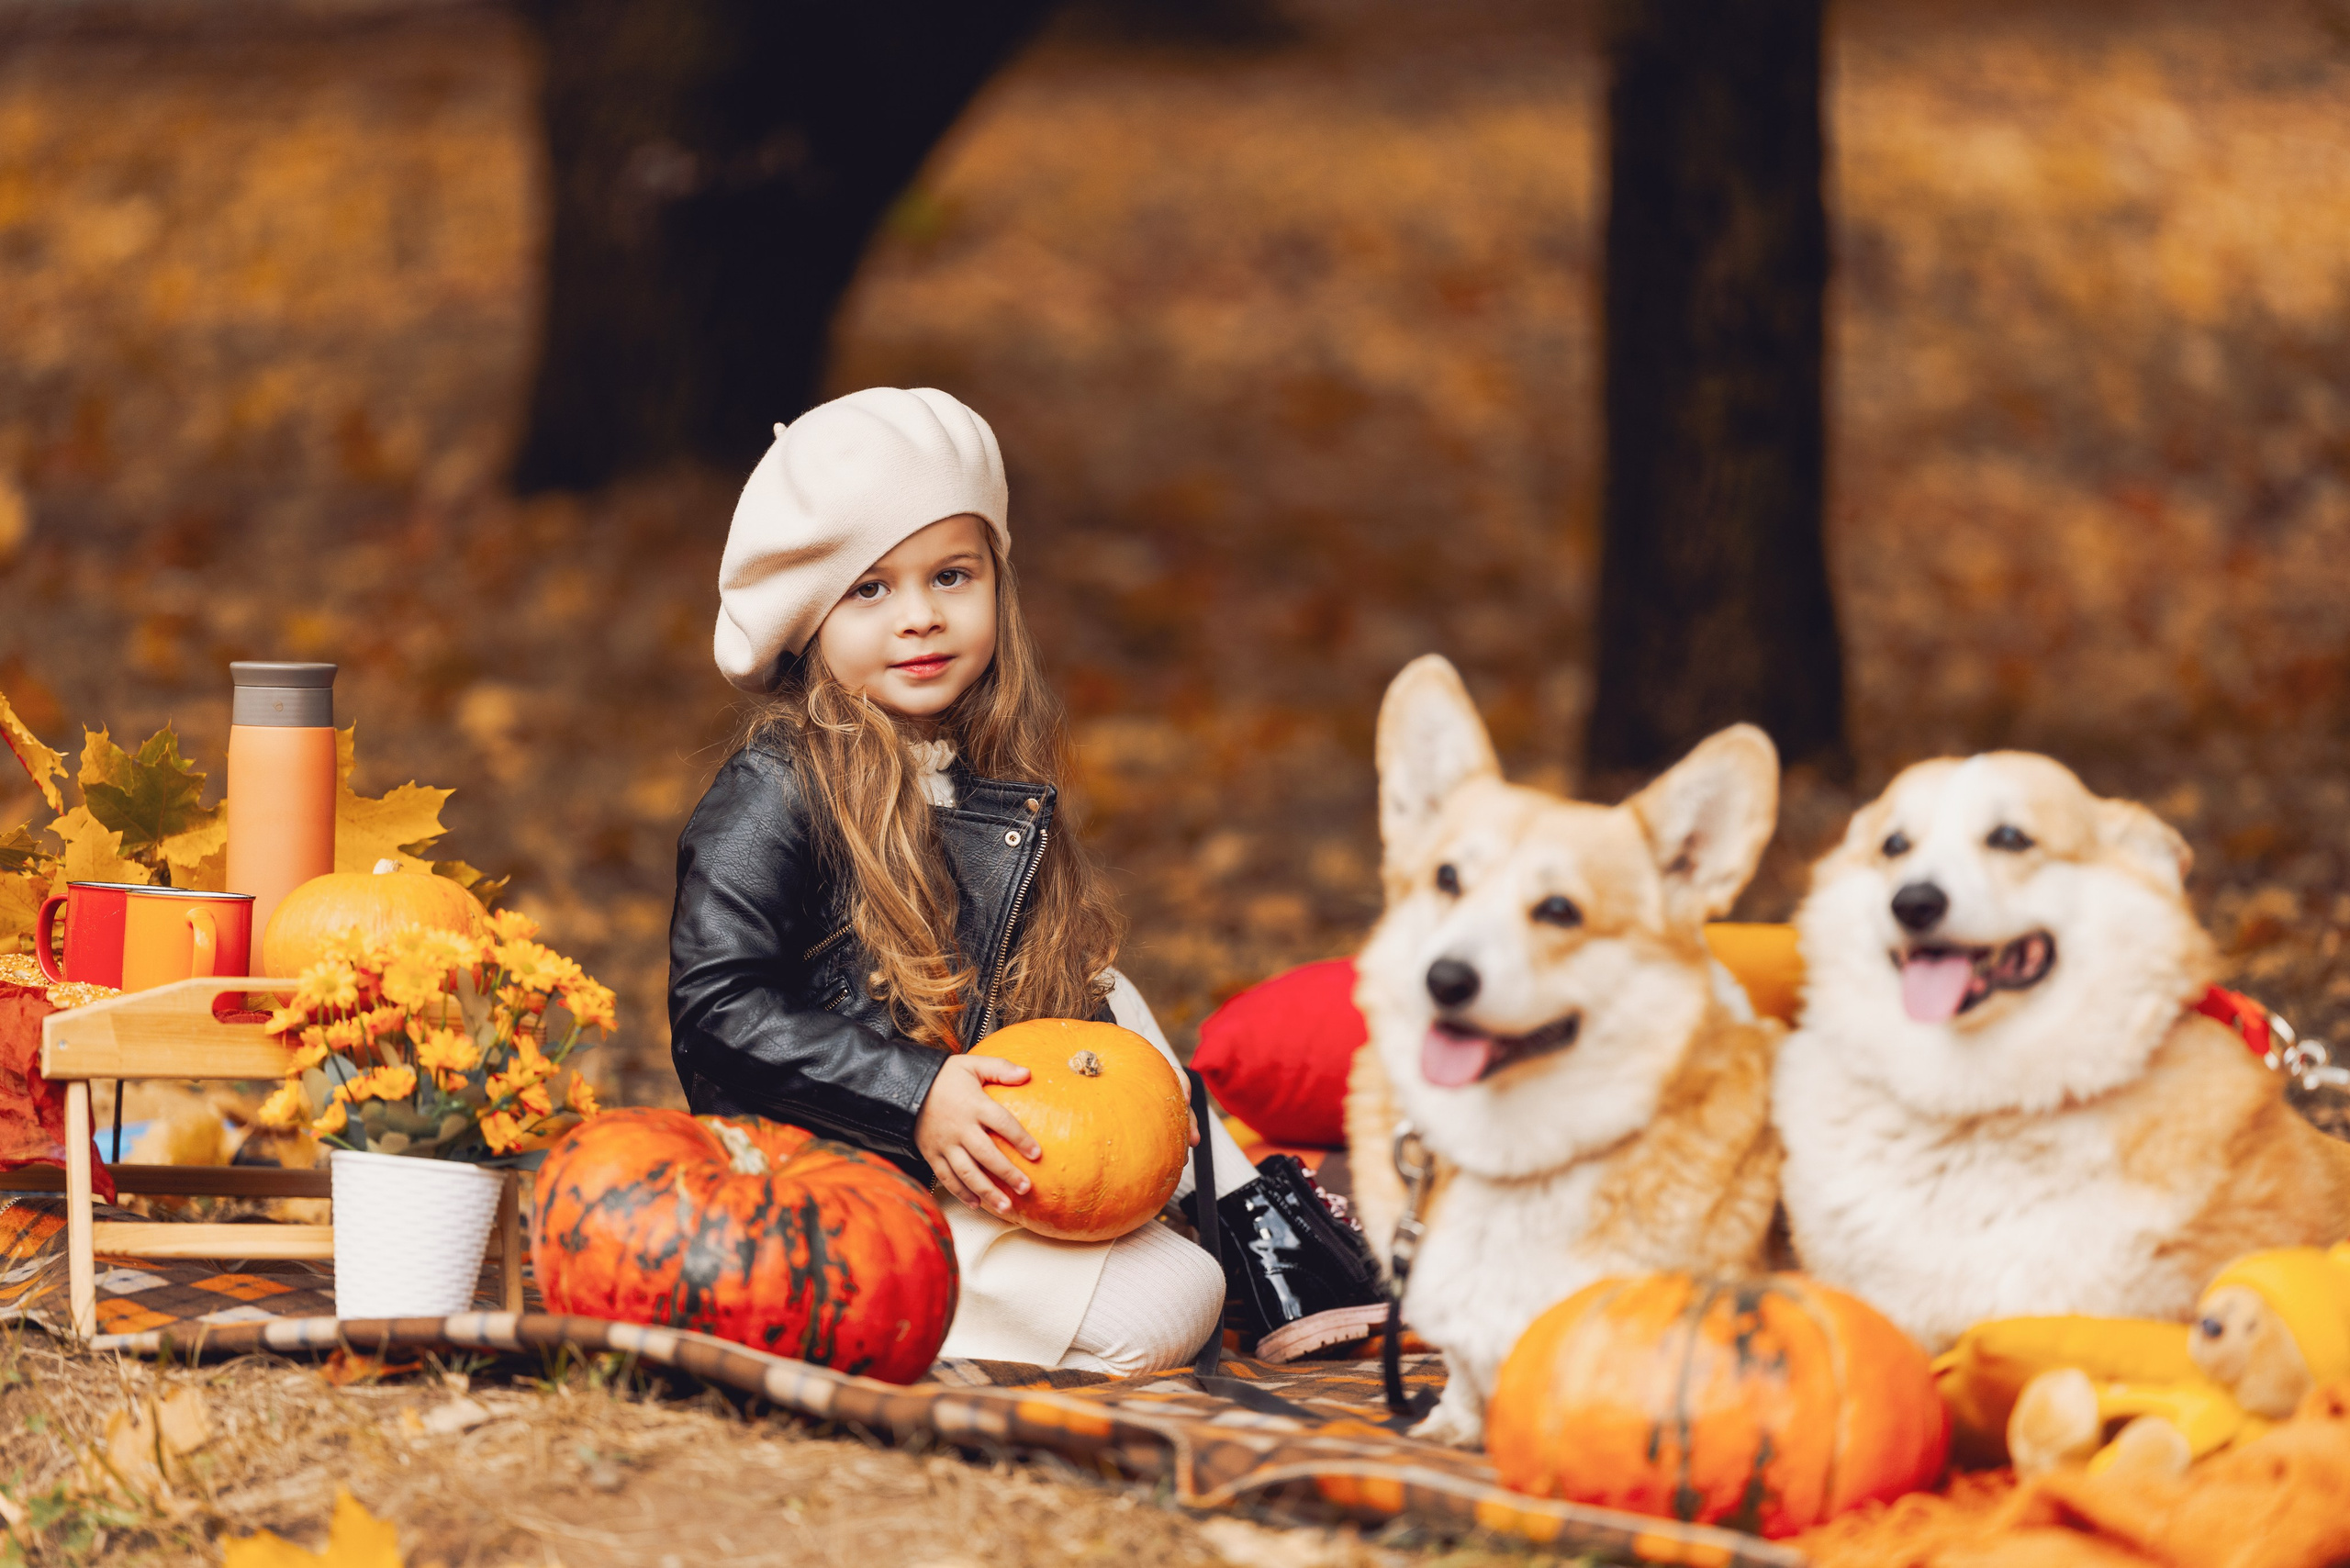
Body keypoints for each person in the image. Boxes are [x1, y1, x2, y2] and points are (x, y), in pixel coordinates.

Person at [668, 386, 1257, 1373]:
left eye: (951, 575)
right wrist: (913, 1095)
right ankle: (834, 1308)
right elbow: (717, 1009)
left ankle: (1254, 1227)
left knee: (1112, 1000)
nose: (921, 619)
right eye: (871, 589)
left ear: (996, 581)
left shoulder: (983, 775)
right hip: (840, 1169)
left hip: (953, 1169)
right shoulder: (780, 783)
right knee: (1171, 1303)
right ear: (809, 617)